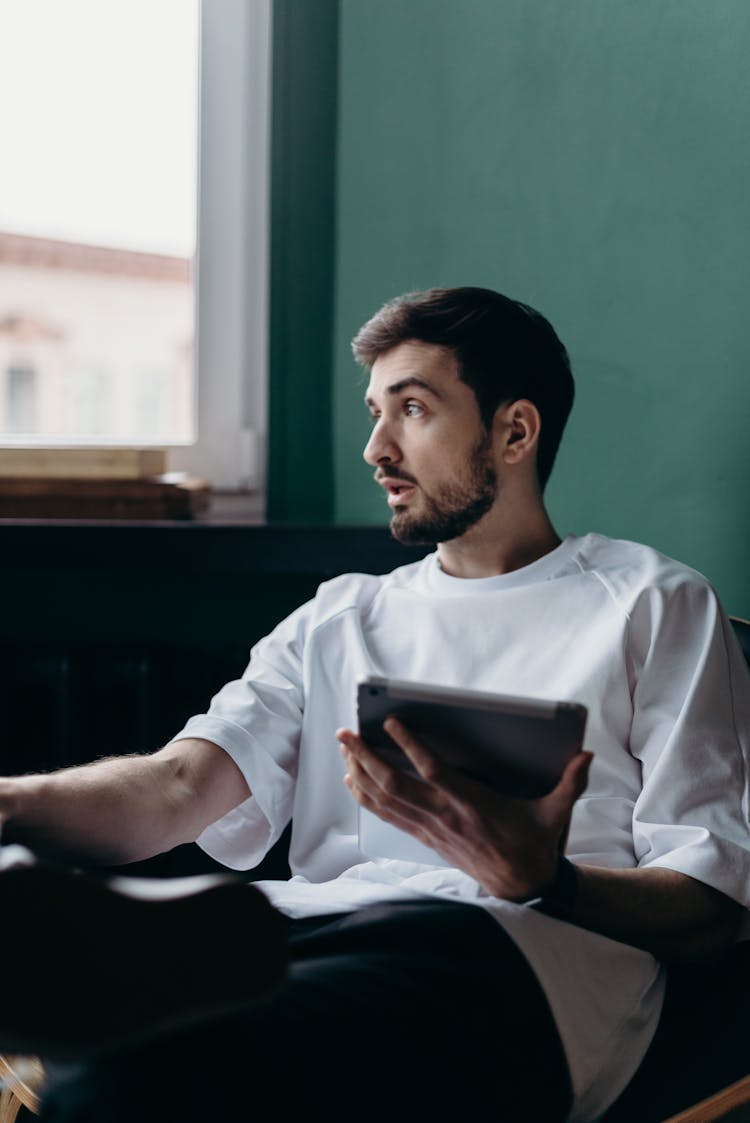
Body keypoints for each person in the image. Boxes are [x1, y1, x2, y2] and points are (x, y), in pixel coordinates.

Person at [1, 287, 748, 1123]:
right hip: (304, 931)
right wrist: (11, 803)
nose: (376, 447)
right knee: (152, 1056)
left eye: (413, 409)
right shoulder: (341, 615)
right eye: (374, 412)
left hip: (505, 954)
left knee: (156, 1070)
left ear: (514, 431)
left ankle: (99, 986)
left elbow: (710, 903)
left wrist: (548, 879)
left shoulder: (652, 602)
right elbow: (178, 785)